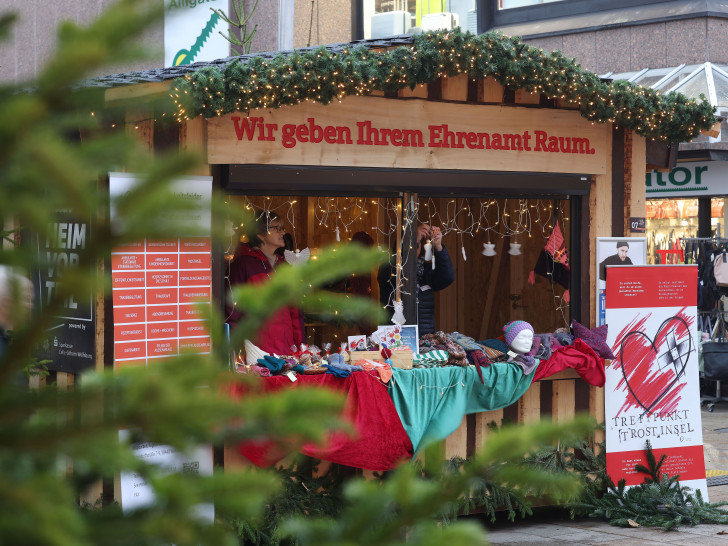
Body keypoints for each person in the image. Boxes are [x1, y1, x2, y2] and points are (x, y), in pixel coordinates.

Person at [226, 212, 304, 355]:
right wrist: (236, 354)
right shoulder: (244, 265)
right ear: (260, 235)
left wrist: (300, 349)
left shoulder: (284, 266)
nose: (283, 232)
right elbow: (232, 314)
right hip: (257, 356)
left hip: (287, 355)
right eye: (277, 228)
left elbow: (295, 312)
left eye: (283, 228)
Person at [378, 223, 455, 335]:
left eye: (418, 243)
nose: (415, 247)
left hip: (424, 337)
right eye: (412, 243)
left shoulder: (425, 271)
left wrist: (438, 247)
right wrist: (412, 235)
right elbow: (396, 270)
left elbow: (448, 277)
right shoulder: (389, 266)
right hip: (394, 337)